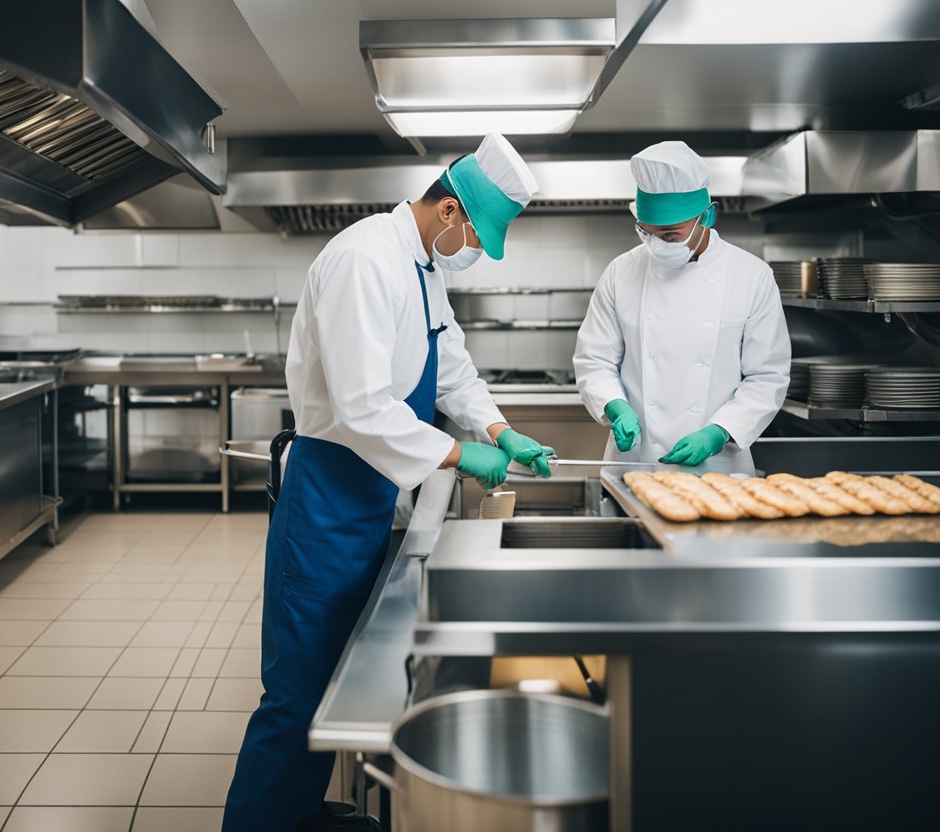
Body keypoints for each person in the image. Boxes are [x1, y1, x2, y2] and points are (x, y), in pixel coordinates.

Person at [222, 133, 552, 832]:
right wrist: (459, 457)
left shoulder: (423, 266)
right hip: (326, 500)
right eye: (476, 235)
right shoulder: (364, 260)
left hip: (370, 496)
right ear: (450, 210)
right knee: (296, 692)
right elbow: (362, 404)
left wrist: (498, 431)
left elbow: (452, 366)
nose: (473, 251)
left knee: (334, 677)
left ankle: (301, 814)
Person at [573, 140, 791, 473]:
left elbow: (767, 376)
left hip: (719, 467)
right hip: (637, 462)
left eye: (671, 235)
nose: (657, 244)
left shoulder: (751, 276)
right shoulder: (621, 272)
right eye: (647, 233)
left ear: (708, 216)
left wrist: (720, 432)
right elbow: (594, 360)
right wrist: (615, 406)